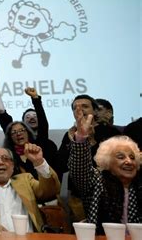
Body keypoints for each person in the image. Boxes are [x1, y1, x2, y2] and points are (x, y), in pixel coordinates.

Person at [68, 108, 141, 234]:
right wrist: (81, 138)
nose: (129, 161)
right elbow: (80, 169)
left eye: (132, 157)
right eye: (120, 157)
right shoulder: (97, 181)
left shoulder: (139, 184)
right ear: (107, 161)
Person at [0, 145, 60, 232]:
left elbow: (50, 191)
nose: (0, 162)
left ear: (12, 166)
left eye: (5, 159)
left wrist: (39, 162)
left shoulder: (26, 180)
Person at [55, 94, 120, 222]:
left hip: (110, 193)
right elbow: (60, 165)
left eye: (85, 106)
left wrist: (91, 140)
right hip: (77, 196)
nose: (80, 110)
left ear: (95, 111)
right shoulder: (69, 134)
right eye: (75, 108)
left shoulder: (110, 132)